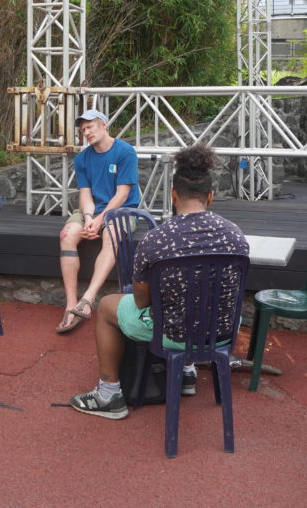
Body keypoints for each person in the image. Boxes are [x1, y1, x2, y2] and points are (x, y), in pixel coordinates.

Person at [70, 143, 249, 419]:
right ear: (210, 196)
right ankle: (187, 373)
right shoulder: (235, 236)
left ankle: (109, 394)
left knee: (106, 306)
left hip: (174, 335)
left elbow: (141, 301)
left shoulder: (157, 239)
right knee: (200, 299)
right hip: (222, 332)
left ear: (173, 194)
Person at [56, 109, 141, 333]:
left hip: (122, 210)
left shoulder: (125, 151)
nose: (86, 132)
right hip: (92, 210)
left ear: (104, 125)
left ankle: (88, 298)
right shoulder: (82, 158)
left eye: (90, 126)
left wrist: (100, 219)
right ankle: (71, 304)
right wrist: (88, 218)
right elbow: (85, 194)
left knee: (112, 234)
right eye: (83, 129)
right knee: (66, 235)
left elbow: (122, 194)